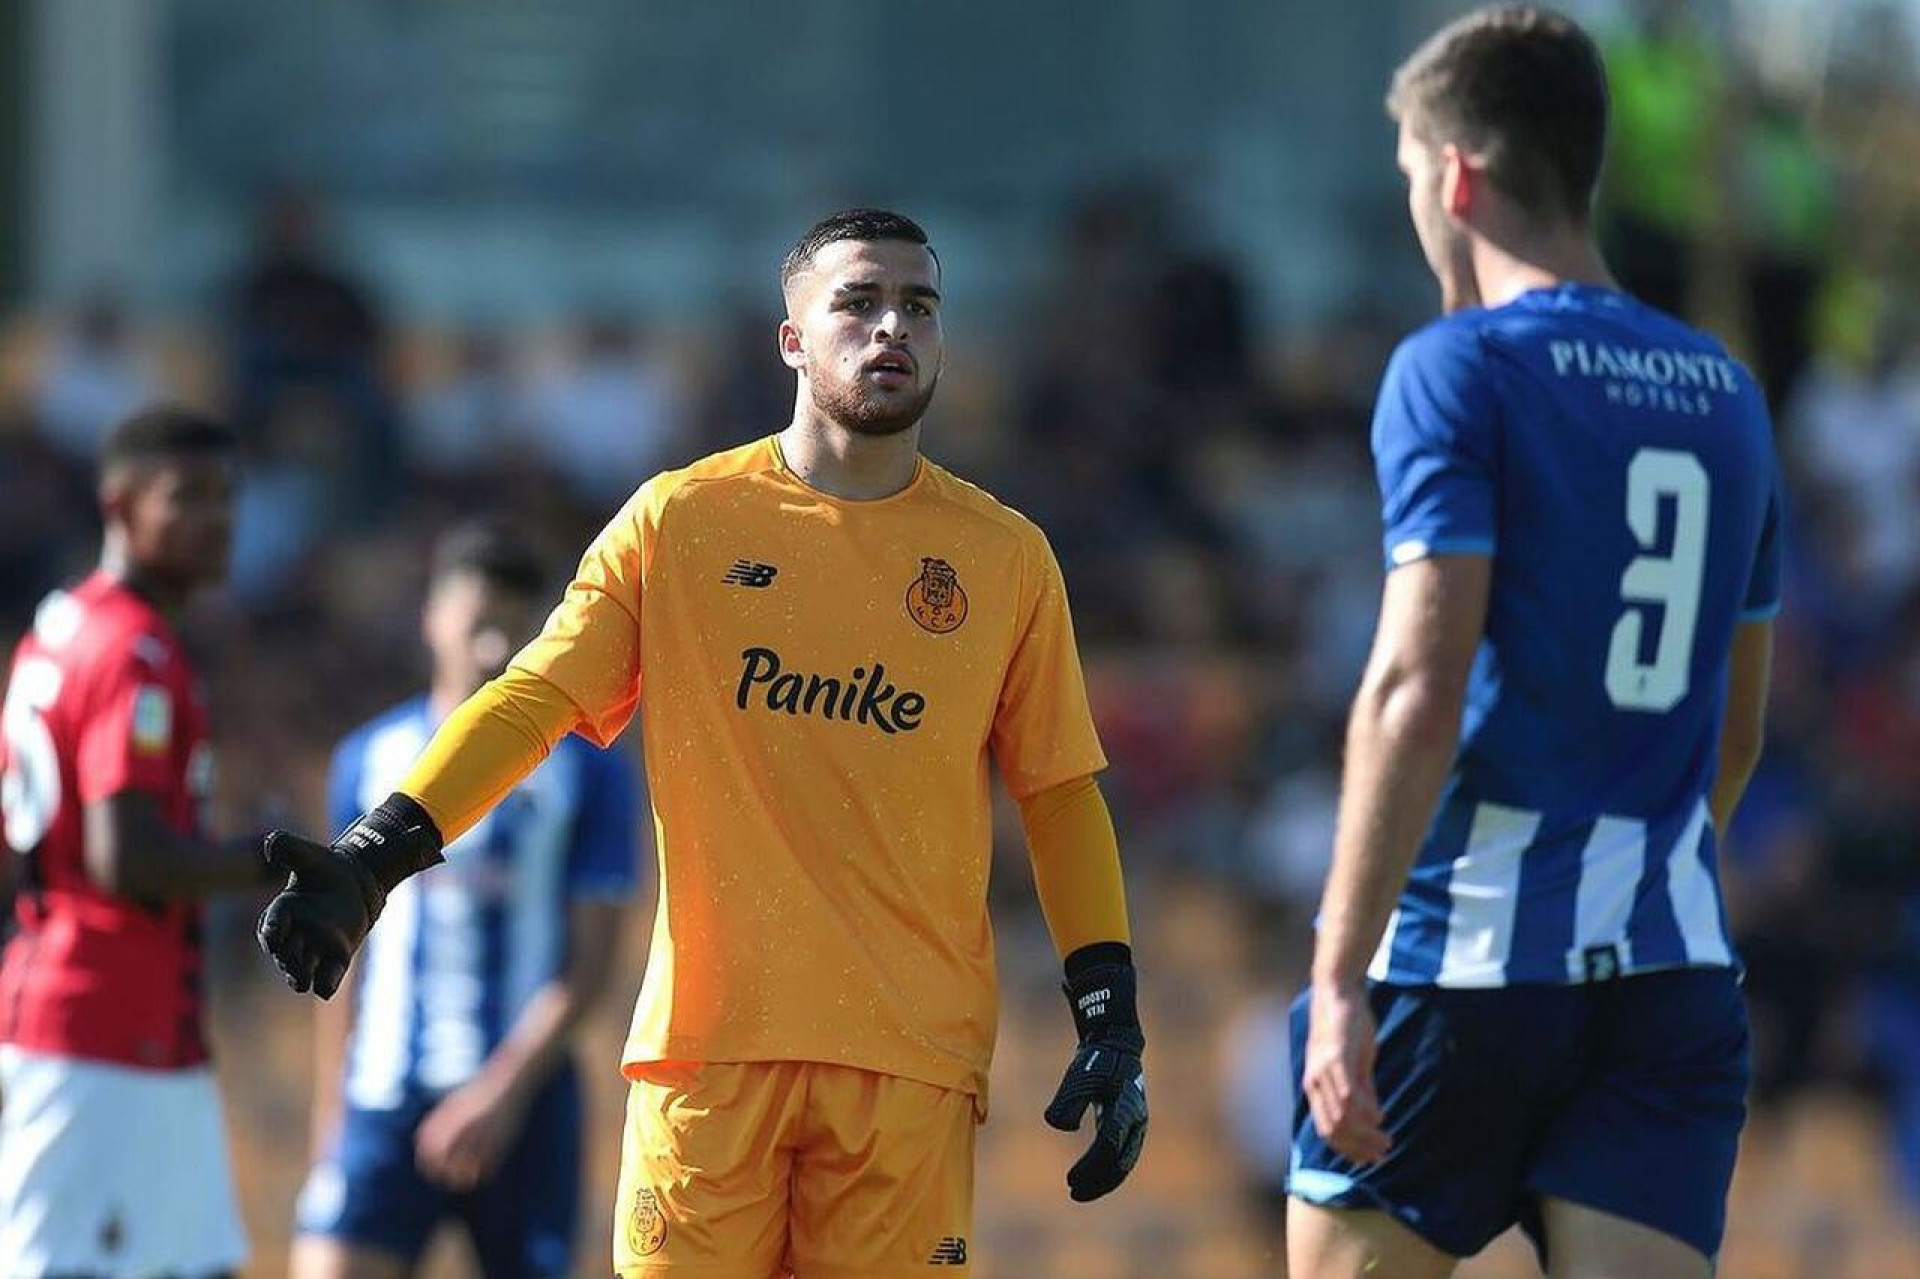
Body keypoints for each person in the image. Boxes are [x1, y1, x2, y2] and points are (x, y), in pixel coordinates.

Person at [258, 208, 1148, 1276]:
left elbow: (1059, 796)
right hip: (708, 1060)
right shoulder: (682, 522)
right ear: (791, 340)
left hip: (908, 1068)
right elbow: (535, 697)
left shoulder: (1005, 559)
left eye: (917, 305)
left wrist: (1111, 1013)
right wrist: (376, 853)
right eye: (857, 303)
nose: (890, 328)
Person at [1288, 10, 1781, 1279]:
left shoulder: (1458, 368)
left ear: (1456, 173)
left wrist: (1339, 970)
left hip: (1464, 961)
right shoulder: (1727, 393)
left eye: (1410, 178)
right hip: (1667, 976)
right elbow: (1738, 731)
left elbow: (1416, 680)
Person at [291, 522, 640, 1278]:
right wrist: (332, 1108)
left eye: (513, 628)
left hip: (525, 1102)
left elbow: (592, 961)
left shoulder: (589, 771)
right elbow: (342, 950)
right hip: (385, 1093)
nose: (492, 647)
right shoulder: (369, 758)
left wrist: (499, 1092)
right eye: (478, 620)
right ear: (432, 615)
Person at [0, 406, 257, 1277]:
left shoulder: (64, 622)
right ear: (119, 504)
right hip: (97, 1032)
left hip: (142, 1033)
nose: (218, 518)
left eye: (228, 495)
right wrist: (272, 857)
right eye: (188, 495)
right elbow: (128, 857)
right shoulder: (132, 650)